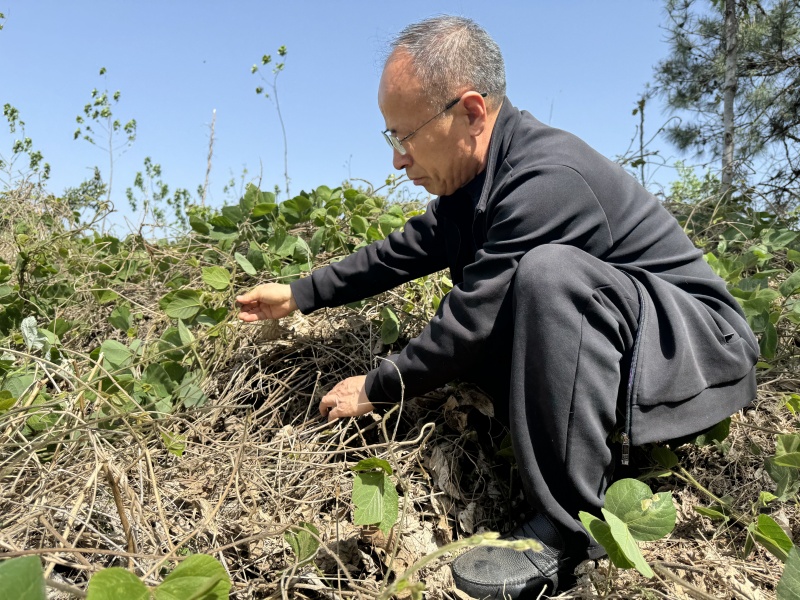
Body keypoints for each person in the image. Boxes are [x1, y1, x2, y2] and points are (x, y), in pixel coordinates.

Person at [236, 15, 759, 599]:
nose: (398, 159)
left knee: (548, 275)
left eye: (403, 136)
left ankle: (567, 532)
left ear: (471, 112)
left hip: (696, 348)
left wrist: (380, 386)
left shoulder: (546, 178)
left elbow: (468, 323)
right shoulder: (483, 175)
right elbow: (410, 248)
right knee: (526, 295)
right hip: (636, 340)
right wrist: (303, 294)